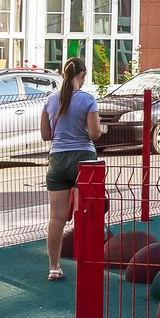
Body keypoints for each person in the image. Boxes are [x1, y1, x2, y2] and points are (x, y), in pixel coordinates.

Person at [41, 56, 103, 281]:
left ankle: (54, 267)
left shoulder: (50, 99)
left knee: (56, 218)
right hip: (83, 160)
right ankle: (86, 266)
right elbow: (94, 134)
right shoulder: (87, 99)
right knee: (84, 215)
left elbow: (46, 135)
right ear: (82, 75)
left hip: (57, 160)